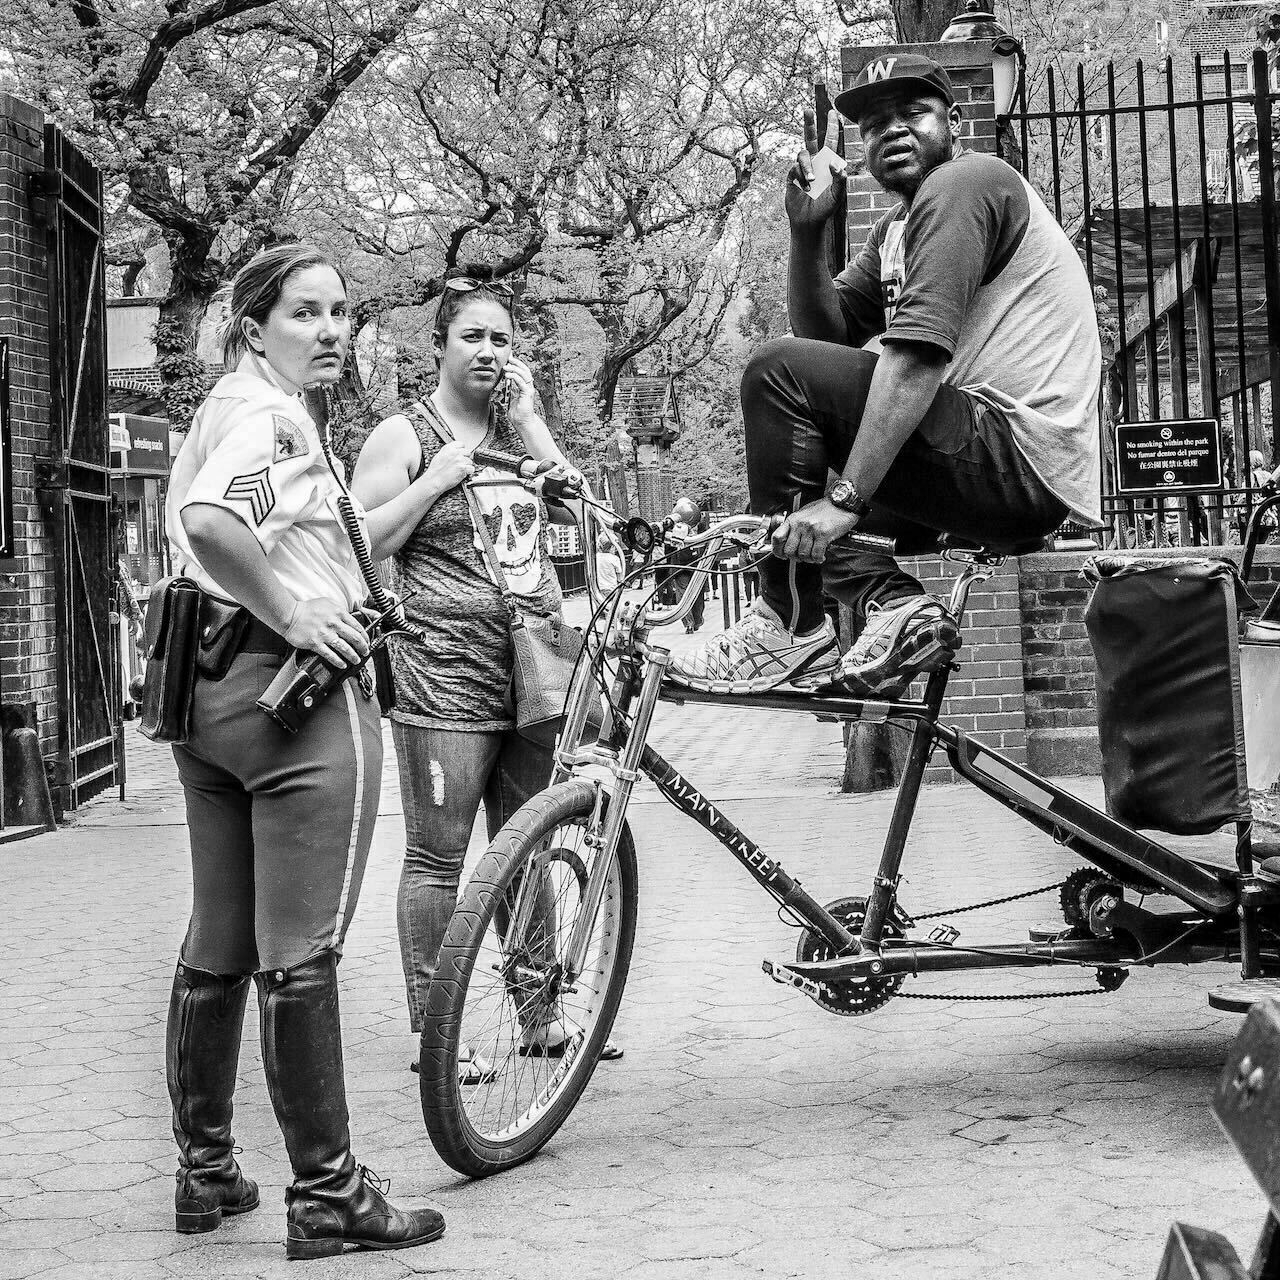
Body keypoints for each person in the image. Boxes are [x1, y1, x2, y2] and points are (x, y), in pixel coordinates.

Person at [162, 243, 444, 1260]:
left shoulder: (223, 407)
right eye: (304, 314)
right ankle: (327, 1194)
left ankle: (205, 1170)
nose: (330, 331)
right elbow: (211, 522)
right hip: (294, 703)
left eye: (339, 314)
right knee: (300, 948)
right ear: (254, 326)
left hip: (205, 695)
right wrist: (295, 610)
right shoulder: (274, 416)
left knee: (221, 938)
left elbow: (200, 531)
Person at [669, 54, 1101, 697]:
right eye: (873, 123)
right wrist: (807, 231)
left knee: (773, 373)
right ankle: (898, 606)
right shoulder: (897, 229)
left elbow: (915, 356)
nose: (892, 130)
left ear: (953, 122)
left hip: (1015, 455)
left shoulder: (968, 184)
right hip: (990, 472)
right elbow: (827, 336)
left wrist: (846, 503)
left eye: (912, 112)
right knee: (799, 462)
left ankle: (788, 621)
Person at [351, 276, 622, 1076]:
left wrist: (535, 426)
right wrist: (436, 478)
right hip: (442, 673)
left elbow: (589, 519)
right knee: (438, 858)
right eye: (473, 336)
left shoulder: (519, 433)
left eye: (502, 339)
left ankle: (540, 1015)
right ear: (439, 345)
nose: (490, 352)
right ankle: (437, 1039)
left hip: (530, 672)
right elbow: (360, 543)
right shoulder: (404, 435)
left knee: (529, 847)